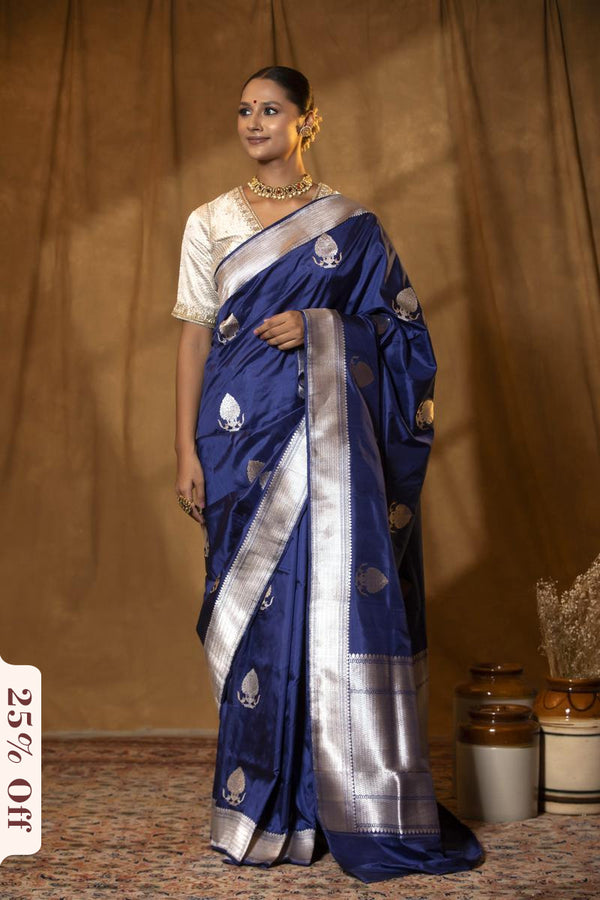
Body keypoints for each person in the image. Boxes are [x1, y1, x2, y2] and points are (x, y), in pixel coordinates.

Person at [172, 65, 483, 884]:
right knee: (253, 619)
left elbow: (404, 335)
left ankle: (325, 805)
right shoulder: (210, 221)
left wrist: (319, 326)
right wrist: (184, 450)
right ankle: (259, 809)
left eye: (270, 109)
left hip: (327, 444)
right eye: (244, 109)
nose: (253, 122)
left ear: (308, 121)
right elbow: (194, 338)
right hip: (236, 441)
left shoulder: (354, 227)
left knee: (325, 605)